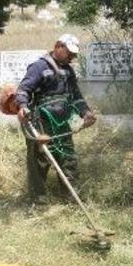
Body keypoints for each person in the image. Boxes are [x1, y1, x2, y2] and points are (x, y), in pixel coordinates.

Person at [15, 34, 97, 201]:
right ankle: (38, 201)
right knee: (39, 161)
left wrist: (85, 112)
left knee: (67, 157)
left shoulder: (68, 71)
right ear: (58, 46)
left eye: (74, 55)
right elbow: (23, 89)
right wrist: (23, 106)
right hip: (42, 122)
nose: (72, 57)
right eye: (70, 53)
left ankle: (71, 198)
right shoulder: (38, 67)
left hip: (62, 123)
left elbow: (75, 95)